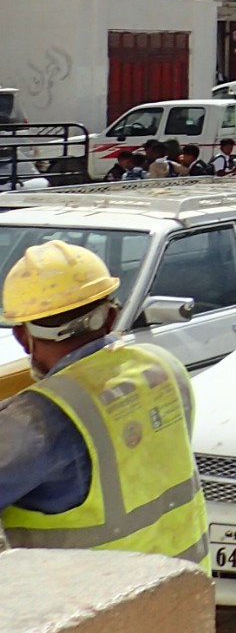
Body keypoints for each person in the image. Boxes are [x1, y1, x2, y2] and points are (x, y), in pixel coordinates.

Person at [0, 241, 208, 564]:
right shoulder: (163, 368)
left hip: (90, 608)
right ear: (111, 317)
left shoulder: (40, 418)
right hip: (182, 593)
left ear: (22, 338)